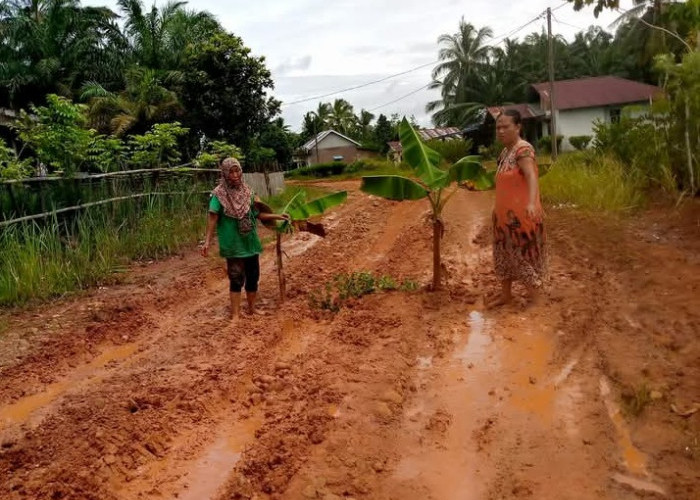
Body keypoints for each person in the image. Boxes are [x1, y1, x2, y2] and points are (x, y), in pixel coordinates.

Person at [201, 158, 289, 321]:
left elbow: (258, 214)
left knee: (253, 276)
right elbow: (212, 218)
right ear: (225, 174)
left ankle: (251, 309)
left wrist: (277, 215)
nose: (235, 175)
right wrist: (207, 241)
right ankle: (235, 314)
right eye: (231, 172)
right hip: (233, 245)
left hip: (250, 243)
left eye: (237, 171)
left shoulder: (248, 192)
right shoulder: (218, 195)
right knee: (236, 278)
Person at [485, 109, 547, 308]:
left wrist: (531, 203)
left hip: (520, 218)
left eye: (506, 127)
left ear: (518, 127)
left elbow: (531, 176)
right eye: (498, 128)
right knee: (503, 256)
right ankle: (506, 295)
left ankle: (537, 299)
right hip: (503, 218)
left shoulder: (523, 150)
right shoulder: (505, 153)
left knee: (520, 257)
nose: (501, 131)